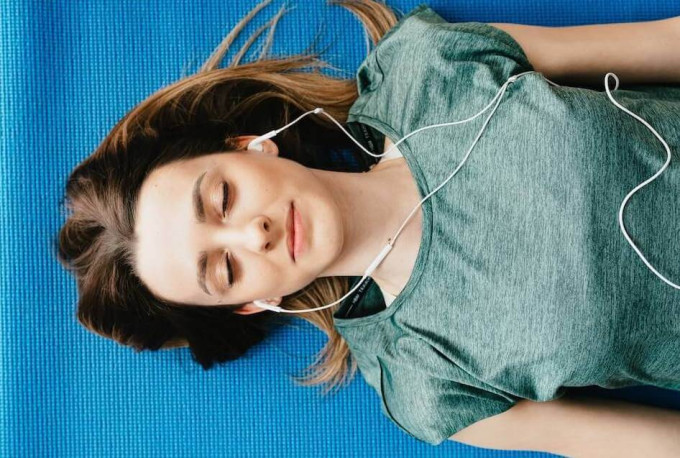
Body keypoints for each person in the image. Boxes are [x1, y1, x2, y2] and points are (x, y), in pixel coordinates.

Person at [57, 0, 680, 452]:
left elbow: (662, 43)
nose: (254, 234)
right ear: (254, 303)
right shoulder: (420, 377)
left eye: (222, 198)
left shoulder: (422, 71)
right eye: (225, 268)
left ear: (250, 146)